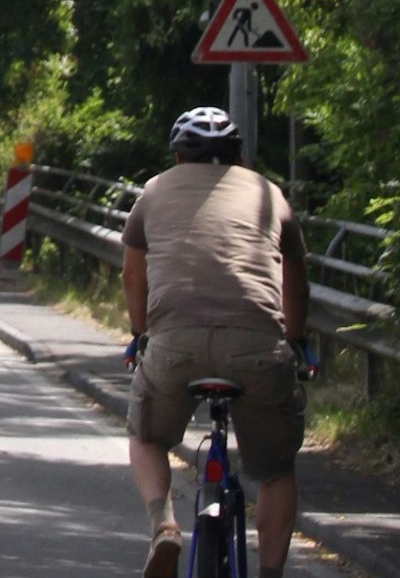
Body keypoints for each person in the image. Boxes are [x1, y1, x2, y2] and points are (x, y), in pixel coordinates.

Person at [123, 107, 309, 578]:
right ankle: (269, 573)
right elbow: (295, 280)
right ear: (239, 155)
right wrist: (297, 341)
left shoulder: (155, 190)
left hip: (174, 345)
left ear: (178, 155)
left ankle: (163, 525)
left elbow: (133, 274)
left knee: (145, 436)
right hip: (258, 347)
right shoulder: (270, 195)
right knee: (275, 469)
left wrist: (139, 334)